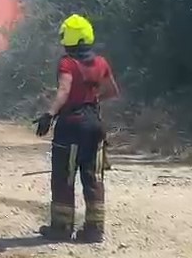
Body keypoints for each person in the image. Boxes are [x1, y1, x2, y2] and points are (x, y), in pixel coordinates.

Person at [34, 13, 120, 243]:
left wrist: (49, 114)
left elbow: (64, 90)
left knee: (64, 178)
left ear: (68, 38)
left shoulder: (67, 63)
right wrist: (92, 100)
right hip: (95, 127)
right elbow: (112, 91)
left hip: (71, 128)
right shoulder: (101, 63)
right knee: (93, 178)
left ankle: (61, 229)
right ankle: (94, 231)